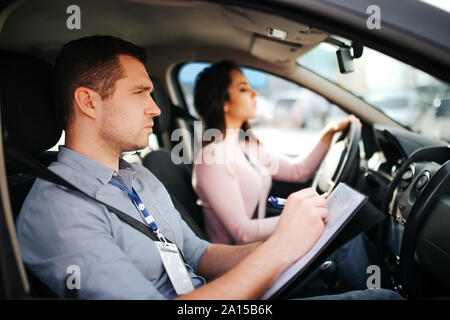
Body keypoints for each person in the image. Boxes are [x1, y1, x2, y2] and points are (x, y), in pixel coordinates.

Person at [15, 35, 400, 300]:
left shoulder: (136, 175)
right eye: (140, 93)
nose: (156, 108)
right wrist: (280, 247)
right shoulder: (59, 210)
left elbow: (198, 253)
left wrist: (284, 245)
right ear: (89, 102)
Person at [192, 60, 360, 244]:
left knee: (347, 233)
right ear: (223, 102)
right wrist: (304, 215)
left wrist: (328, 133)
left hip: (263, 247)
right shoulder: (213, 158)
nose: (254, 93)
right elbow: (243, 233)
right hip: (241, 261)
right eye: (243, 89)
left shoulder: (245, 147)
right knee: (347, 243)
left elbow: (299, 171)